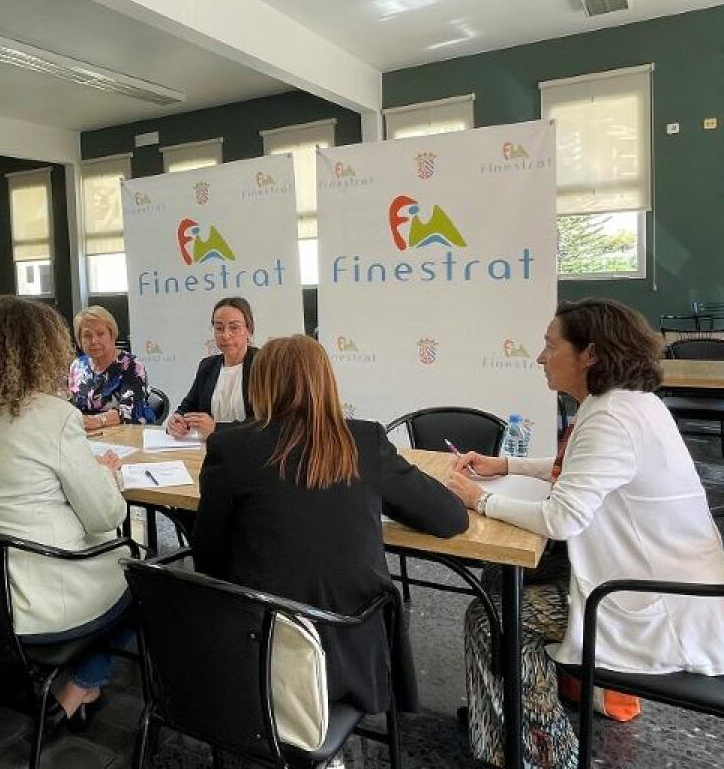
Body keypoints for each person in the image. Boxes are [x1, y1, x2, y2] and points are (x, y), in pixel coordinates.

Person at [446, 299, 724, 768]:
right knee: (505, 574)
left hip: (654, 600)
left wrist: (478, 499)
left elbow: (562, 519)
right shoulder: (626, 404)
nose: (540, 357)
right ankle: (506, 718)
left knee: (493, 620)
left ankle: (547, 754)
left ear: (591, 355)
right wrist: (506, 465)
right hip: (668, 580)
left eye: (550, 345)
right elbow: (581, 470)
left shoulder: (610, 418)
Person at [194, 335, 468, 717]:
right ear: (325, 380)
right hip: (352, 646)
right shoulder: (363, 440)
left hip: (259, 645)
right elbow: (449, 518)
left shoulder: (232, 447)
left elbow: (207, 556)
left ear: (261, 383)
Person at [0, 295, 129, 724]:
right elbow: (105, 518)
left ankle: (60, 684)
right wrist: (109, 475)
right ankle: (81, 687)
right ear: (44, 351)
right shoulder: (52, 417)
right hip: (44, 600)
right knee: (142, 574)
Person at [168, 297, 258, 439]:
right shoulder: (207, 366)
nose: (225, 335)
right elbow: (188, 406)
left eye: (234, 327)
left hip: (252, 450)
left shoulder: (265, 365)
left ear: (249, 330)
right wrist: (176, 420)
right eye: (219, 328)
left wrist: (217, 429)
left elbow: (267, 421)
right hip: (211, 451)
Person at [68, 305, 155, 429]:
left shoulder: (131, 365)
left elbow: (131, 410)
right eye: (87, 335)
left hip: (125, 434)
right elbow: (70, 406)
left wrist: (98, 421)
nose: (94, 341)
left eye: (100, 334)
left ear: (112, 335)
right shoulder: (77, 366)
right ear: (79, 341)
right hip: (83, 435)